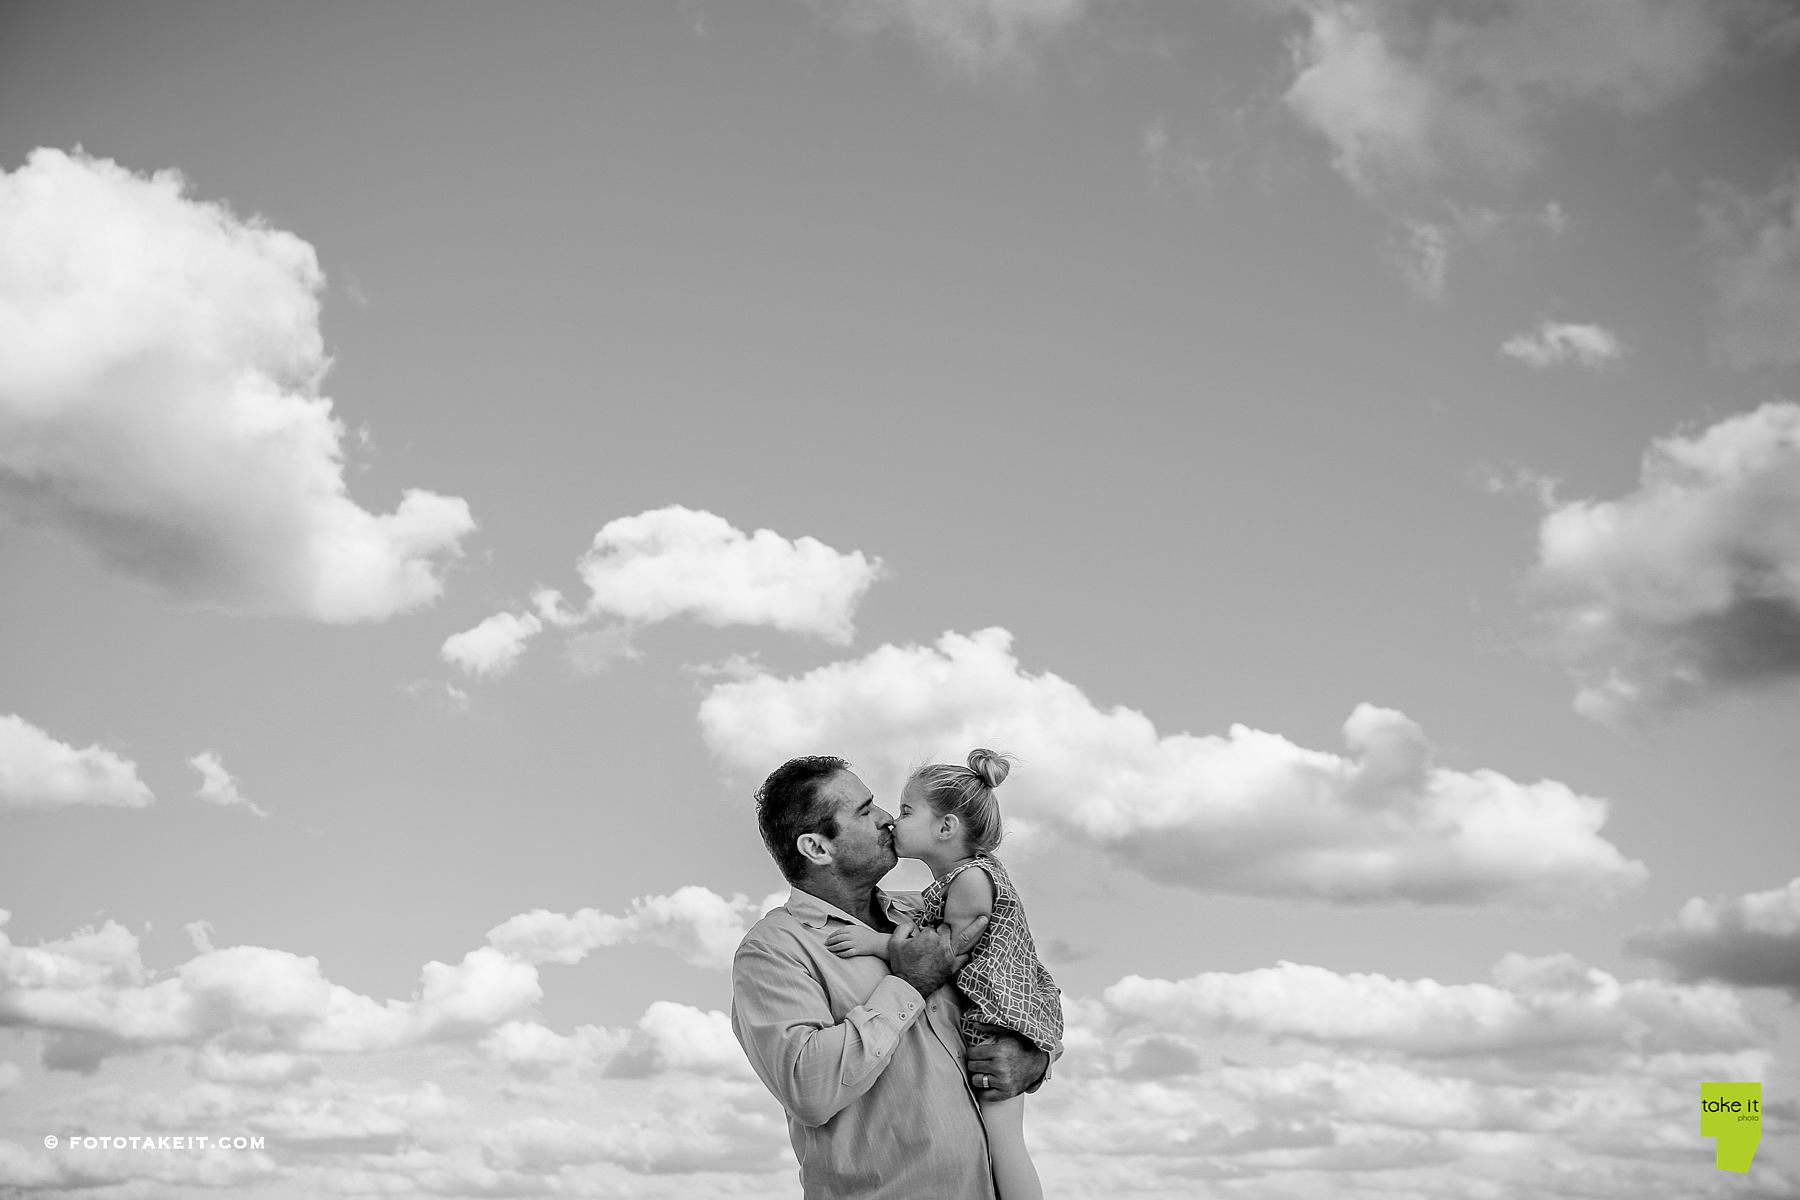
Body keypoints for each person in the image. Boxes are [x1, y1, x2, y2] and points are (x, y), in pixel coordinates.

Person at [731, 755, 1052, 1199]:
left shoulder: (929, 911)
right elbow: (809, 1088)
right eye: (865, 811)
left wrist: (1035, 1058)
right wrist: (908, 984)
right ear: (817, 848)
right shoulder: (773, 950)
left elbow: (1024, 978)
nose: (885, 819)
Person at [826, 750, 1060, 1200]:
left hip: (1001, 1022)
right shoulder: (950, 883)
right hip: (996, 1018)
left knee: (1003, 1144)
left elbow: (946, 951)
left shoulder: (971, 881)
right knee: (995, 1143)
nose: (894, 820)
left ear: (946, 827)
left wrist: (878, 943)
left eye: (908, 810)